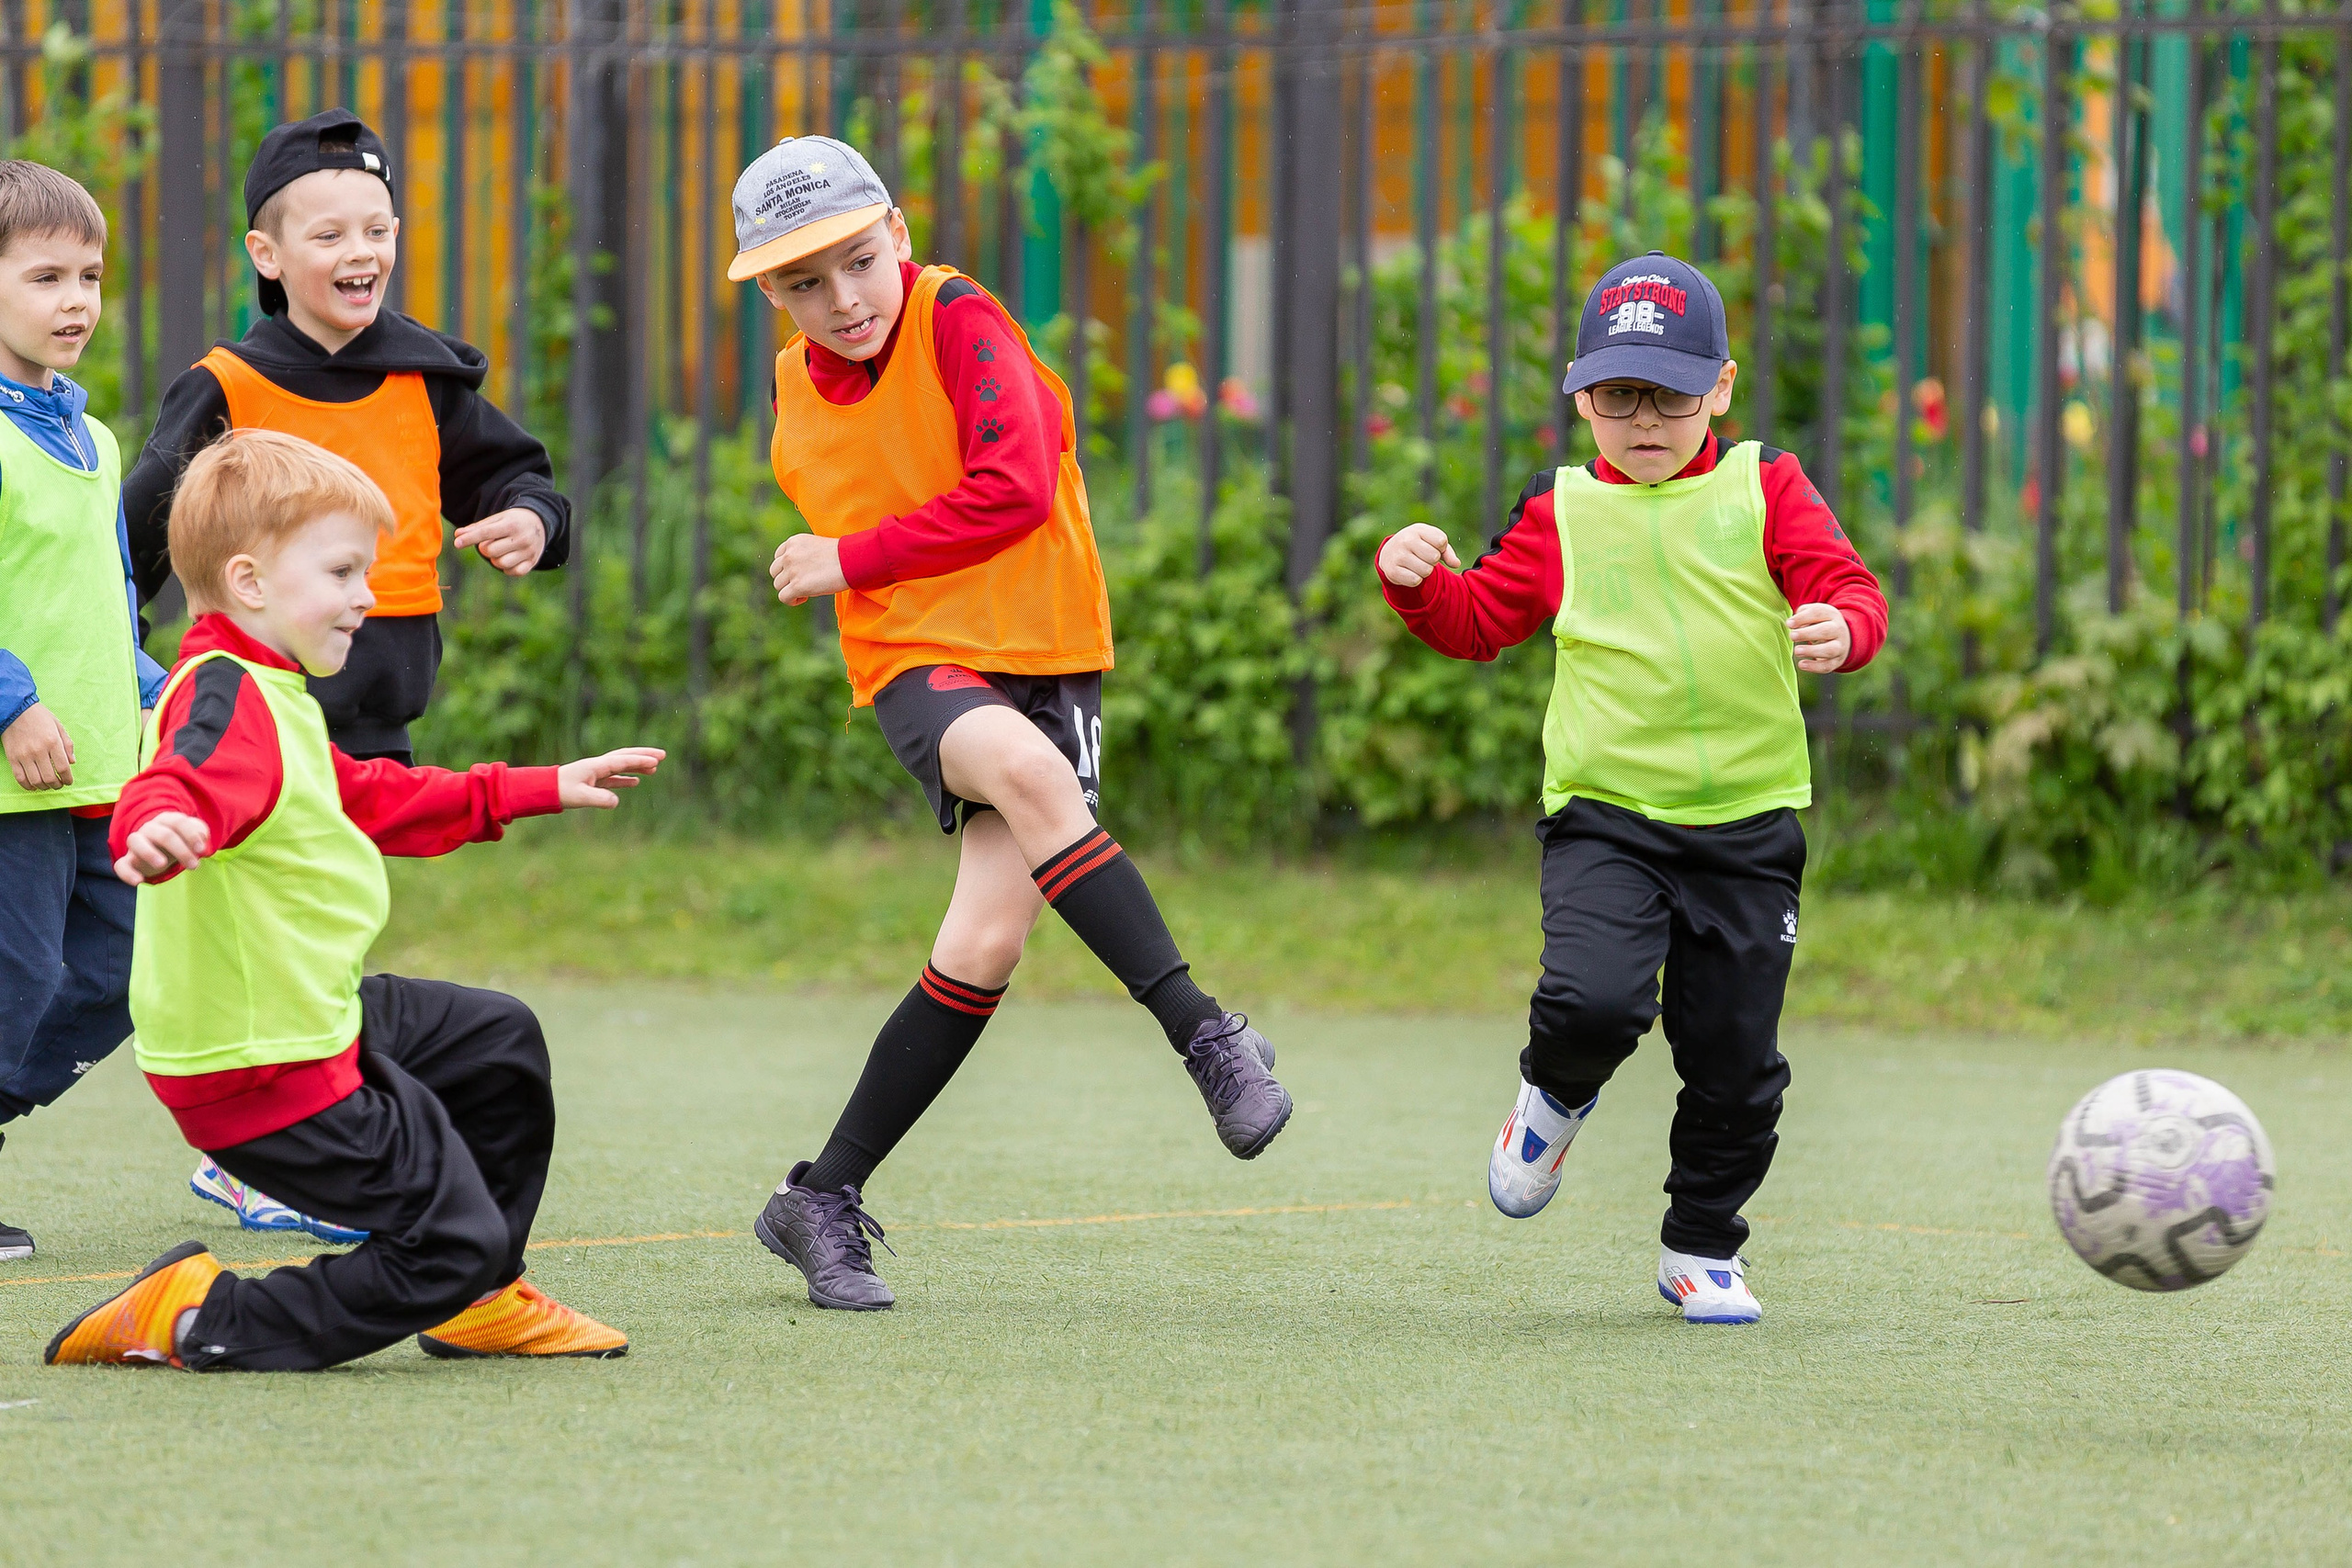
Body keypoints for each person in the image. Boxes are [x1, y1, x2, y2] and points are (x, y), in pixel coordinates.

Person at [736, 135, 1292, 1312]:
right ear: (767, 293)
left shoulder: (959, 319)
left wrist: (848, 555)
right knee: (1021, 773)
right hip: (919, 661)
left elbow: (1014, 487)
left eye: (854, 262)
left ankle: (818, 1198)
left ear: (896, 231)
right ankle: (1205, 1032)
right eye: (799, 282)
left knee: (984, 944)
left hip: (1050, 655)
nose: (839, 300)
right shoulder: (798, 385)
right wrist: (853, 566)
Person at [45, 430, 662, 1371]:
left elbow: (372, 795)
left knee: (496, 1041)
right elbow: (179, 780)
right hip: (262, 1068)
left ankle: (477, 1301)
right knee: (450, 1242)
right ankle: (198, 1315)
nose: (367, 596)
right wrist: (151, 828)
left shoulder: (270, 688)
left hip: (309, 1017)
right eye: (341, 571)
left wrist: (536, 784)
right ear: (250, 582)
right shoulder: (226, 699)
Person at [1376, 251, 1889, 1325]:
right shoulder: (1561, 512)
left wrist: (1843, 630)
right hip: (1605, 818)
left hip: (1748, 829)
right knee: (1591, 1001)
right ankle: (1551, 1097)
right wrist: (1414, 585)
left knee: (1735, 1063)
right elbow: (1478, 623)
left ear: (1722, 388)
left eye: (1669, 394)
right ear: (1581, 397)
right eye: (1618, 396)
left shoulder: (1767, 485)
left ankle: (1699, 1248)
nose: (1643, 419)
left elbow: (1847, 585)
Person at [122, 107, 572, 1240]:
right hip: (255, 729)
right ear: (268, 257)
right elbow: (136, 533)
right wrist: (113, 657)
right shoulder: (225, 385)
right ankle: (262, 1143)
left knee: (332, 918)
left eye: (377, 228)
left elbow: (520, 475)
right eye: (328, 234)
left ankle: (313, 1120)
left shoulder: (426, 378)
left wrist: (527, 518)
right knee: (275, 923)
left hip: (375, 710)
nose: (360, 252)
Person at [0, 161, 168, 1262]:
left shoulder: (96, 439)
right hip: (14, 769)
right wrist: (12, 702)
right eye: (45, 275)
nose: (76, 300)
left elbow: (109, 597)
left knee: (119, 973)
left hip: (105, 760)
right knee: (15, 980)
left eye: (91, 277)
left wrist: (161, 692)